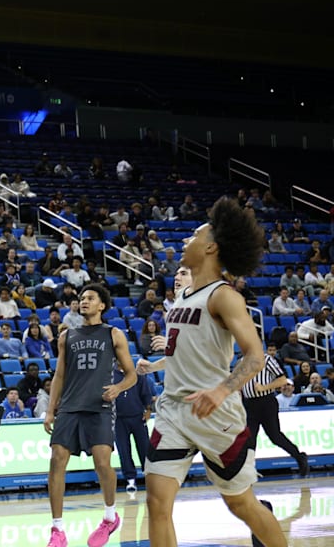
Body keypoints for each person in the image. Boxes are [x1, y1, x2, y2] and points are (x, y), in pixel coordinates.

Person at [143, 198, 286, 547]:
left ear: (210, 247)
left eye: (193, 235)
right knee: (156, 502)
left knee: (241, 503)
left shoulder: (224, 297)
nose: (185, 240)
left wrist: (221, 391)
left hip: (216, 413)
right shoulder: (183, 295)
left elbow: (254, 356)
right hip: (174, 411)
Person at [42, 283, 136, 547]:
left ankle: (109, 517)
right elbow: (59, 375)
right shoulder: (66, 336)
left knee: (102, 464)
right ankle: (57, 529)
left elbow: (131, 374)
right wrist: (50, 410)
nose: (84, 301)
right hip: (71, 405)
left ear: (102, 305)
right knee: (57, 460)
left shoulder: (113, 334)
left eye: (90, 298)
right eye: (82, 298)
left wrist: (117, 388)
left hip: (100, 407)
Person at [241, 345, 309, 476]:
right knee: (249, 438)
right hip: (249, 403)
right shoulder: (241, 362)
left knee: (275, 436)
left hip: (266, 402)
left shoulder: (267, 360)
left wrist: (264, 387)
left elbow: (282, 380)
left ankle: (299, 457)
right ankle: (248, 470)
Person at [113, 364, 155, 493]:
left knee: (144, 449)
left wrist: (148, 410)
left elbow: (145, 393)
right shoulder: (110, 375)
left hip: (138, 417)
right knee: (124, 450)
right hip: (118, 419)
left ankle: (150, 478)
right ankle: (130, 480)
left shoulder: (137, 374)